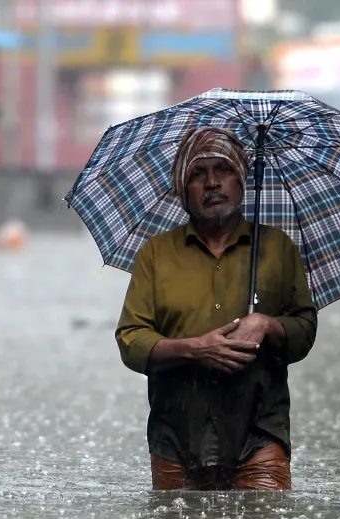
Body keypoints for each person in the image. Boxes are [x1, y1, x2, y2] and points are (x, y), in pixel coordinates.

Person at [116, 126, 318, 491]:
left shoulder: (277, 249)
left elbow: (304, 330)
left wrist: (267, 325)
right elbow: (131, 340)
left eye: (223, 170)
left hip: (259, 435)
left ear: (241, 181)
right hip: (176, 438)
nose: (212, 183)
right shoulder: (156, 255)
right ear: (183, 190)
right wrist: (195, 349)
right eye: (198, 174)